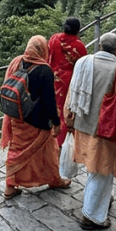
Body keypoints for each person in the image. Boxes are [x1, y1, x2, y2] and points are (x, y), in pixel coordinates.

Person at [64, 34, 116, 230]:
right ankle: (91, 216)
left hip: (83, 125)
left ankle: (101, 201)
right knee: (101, 171)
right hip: (105, 130)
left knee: (93, 167)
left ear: (99, 46)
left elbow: (72, 92)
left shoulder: (83, 63)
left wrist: (68, 118)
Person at [1, 36, 71, 199]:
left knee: (16, 151)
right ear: (42, 50)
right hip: (38, 121)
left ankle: (10, 186)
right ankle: (54, 180)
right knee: (48, 152)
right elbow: (49, 100)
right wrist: (56, 122)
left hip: (17, 117)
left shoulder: (17, 62)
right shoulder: (44, 70)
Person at [47, 18, 88, 147]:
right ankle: (60, 142)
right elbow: (83, 66)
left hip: (51, 78)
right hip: (68, 82)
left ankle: (48, 139)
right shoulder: (79, 45)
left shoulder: (54, 38)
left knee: (50, 107)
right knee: (64, 111)